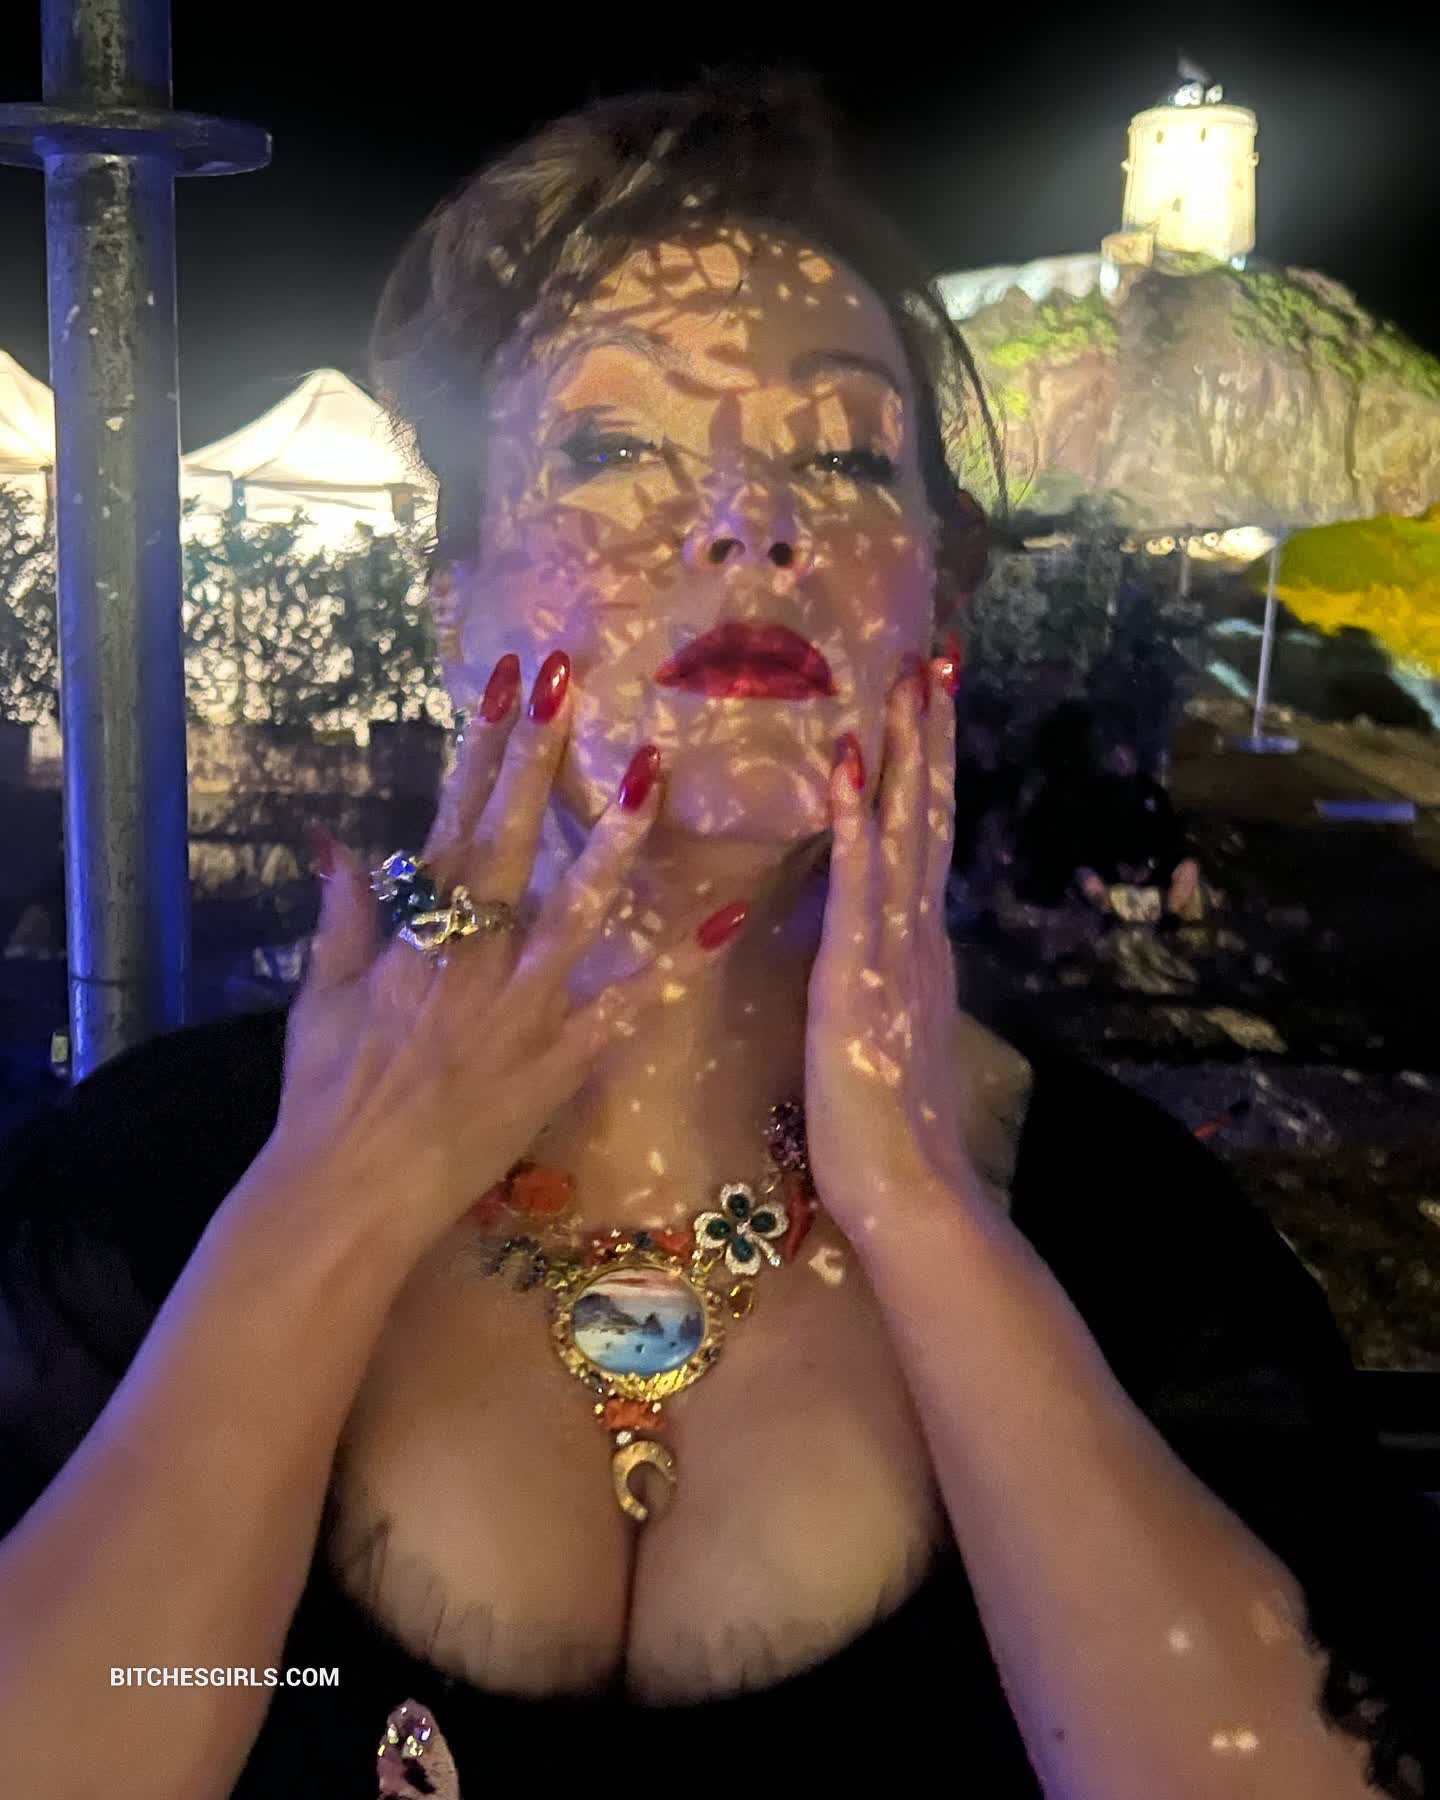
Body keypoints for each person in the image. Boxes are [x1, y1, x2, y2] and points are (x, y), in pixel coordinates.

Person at [0, 73, 1435, 1800]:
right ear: (455, 606)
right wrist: (339, 1200)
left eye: (845, 455)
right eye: (609, 450)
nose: (751, 519)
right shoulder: (160, 1191)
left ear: (938, 594)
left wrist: (921, 1197)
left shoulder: (1126, 1245)